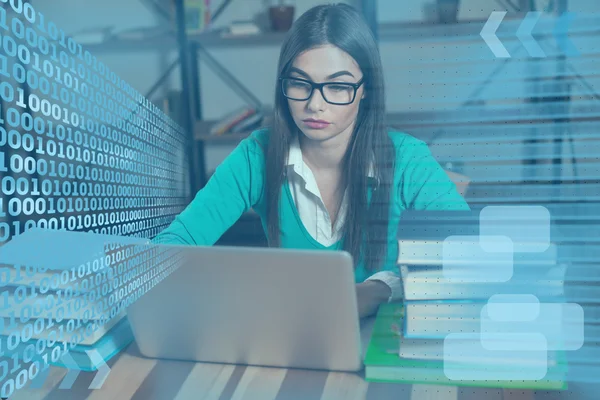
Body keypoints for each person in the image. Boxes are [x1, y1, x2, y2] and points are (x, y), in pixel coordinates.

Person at [153, 3, 469, 318]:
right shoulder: (257, 155)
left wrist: (378, 290)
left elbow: (470, 256)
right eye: (300, 84)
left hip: (384, 344)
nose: (314, 104)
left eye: (338, 86)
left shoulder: (407, 159)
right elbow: (176, 243)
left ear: (365, 90)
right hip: (295, 336)